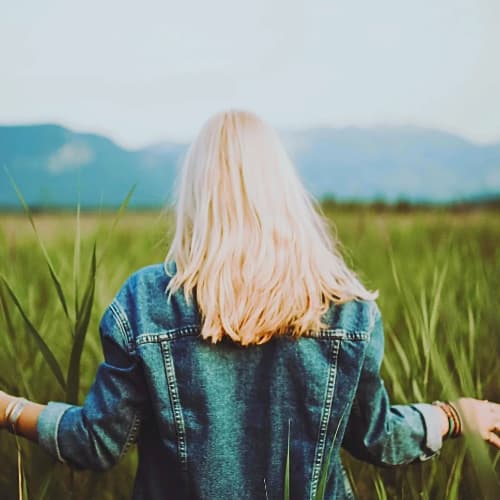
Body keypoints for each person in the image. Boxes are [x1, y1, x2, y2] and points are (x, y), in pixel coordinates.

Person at [0, 110, 499, 499]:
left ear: (197, 194)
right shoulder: (346, 309)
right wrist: (457, 416)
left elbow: (96, 443)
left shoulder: (147, 301)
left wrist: (8, 408)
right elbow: (378, 438)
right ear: (282, 192)